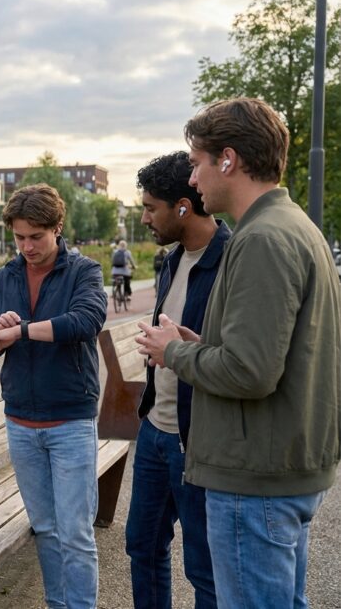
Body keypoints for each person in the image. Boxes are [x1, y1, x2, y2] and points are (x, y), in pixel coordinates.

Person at [136, 97, 341, 608]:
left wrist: (175, 354)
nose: (194, 175)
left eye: (197, 161)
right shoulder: (292, 227)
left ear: (227, 160)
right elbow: (277, 352)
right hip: (277, 466)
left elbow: (250, 372)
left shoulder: (261, 239)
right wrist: (200, 346)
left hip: (255, 477)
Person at [0, 183, 107, 608]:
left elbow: (86, 321)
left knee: (75, 532)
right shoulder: (4, 277)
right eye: (19, 237)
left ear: (58, 228)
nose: (27, 247)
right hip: (21, 421)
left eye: (36, 236)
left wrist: (23, 330)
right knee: (46, 529)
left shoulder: (83, 271)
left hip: (70, 420)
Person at [125, 151, 231, 609]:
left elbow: (239, 357)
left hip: (197, 439)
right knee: (142, 547)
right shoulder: (169, 261)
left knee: (204, 567)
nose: (145, 217)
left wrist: (184, 348)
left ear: (183, 207)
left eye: (151, 208)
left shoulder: (232, 259)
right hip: (154, 431)